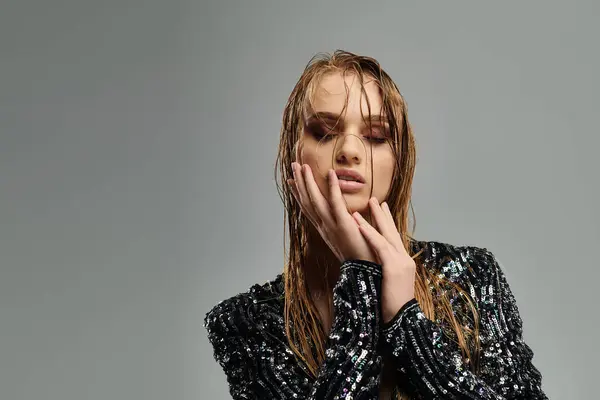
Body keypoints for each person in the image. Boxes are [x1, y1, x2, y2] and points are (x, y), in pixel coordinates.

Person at [204, 50, 548, 399]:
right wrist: (362, 275)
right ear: (293, 153)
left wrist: (405, 320)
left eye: (376, 136)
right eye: (324, 132)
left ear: (399, 160)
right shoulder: (247, 322)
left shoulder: (471, 277)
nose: (349, 151)